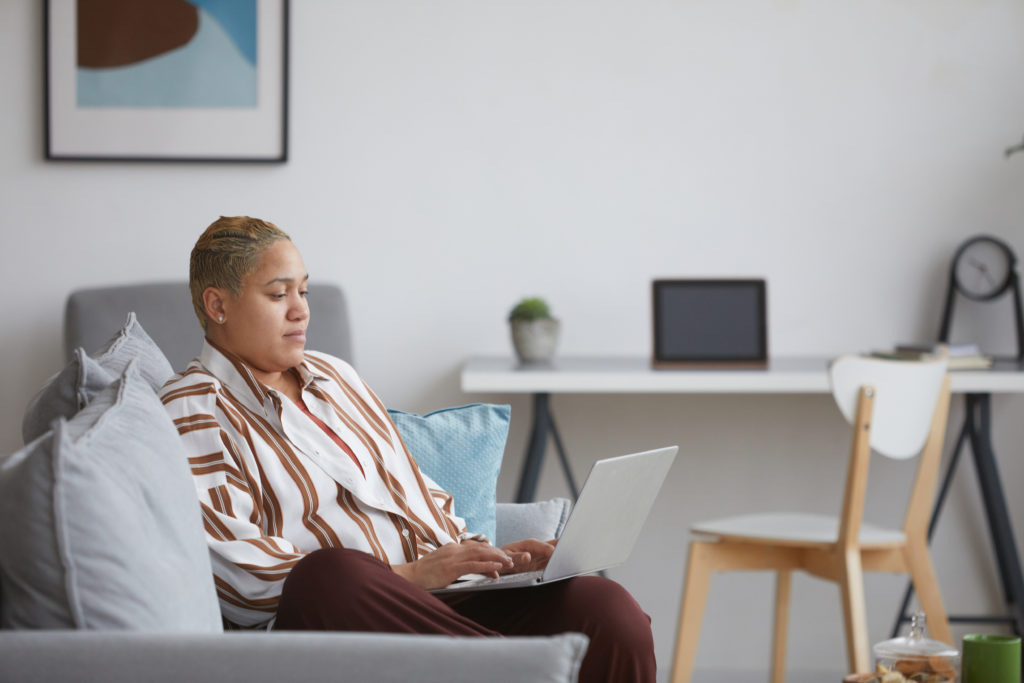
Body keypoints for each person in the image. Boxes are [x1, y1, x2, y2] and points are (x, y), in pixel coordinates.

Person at [160, 216, 656, 682]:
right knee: (327, 573)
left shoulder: (336, 376)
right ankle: (519, 667)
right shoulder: (193, 408)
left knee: (604, 607)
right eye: (277, 294)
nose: (300, 309)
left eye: (303, 290)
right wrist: (408, 576)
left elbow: (415, 490)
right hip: (339, 617)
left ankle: (507, 662)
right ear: (217, 305)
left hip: (439, 605)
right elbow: (236, 571)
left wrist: (488, 561)